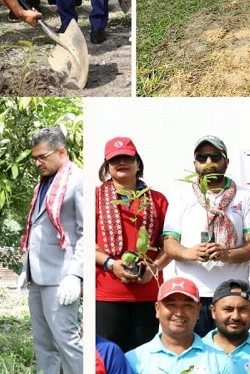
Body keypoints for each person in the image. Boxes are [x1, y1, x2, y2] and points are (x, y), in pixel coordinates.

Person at [162, 135, 250, 336]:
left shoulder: (246, 197)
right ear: (194, 163)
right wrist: (190, 252)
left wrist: (225, 254)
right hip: (192, 293)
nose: (208, 163)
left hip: (231, 296)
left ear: (226, 161)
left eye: (215, 157)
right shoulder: (182, 195)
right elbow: (169, 243)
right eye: (202, 158)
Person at [94, 137, 171, 352]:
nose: (121, 162)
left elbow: (170, 243)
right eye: (115, 159)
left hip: (146, 292)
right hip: (106, 293)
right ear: (107, 166)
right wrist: (110, 263)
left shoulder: (157, 200)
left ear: (138, 163)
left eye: (127, 157)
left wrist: (154, 267)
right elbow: (84, 242)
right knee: (107, 356)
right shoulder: (95, 198)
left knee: (142, 357)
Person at [21, 126, 83, 374]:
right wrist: (26, 267)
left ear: (61, 151)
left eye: (42, 157)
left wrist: (75, 275)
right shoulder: (44, 183)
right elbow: (38, 228)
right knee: (43, 344)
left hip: (61, 277)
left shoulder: (77, 181)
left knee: (67, 342)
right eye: (34, 158)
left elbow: (85, 232)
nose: (37, 163)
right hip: (38, 277)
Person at [125, 277, 238, 373]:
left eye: (187, 305)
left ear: (198, 310)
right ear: (157, 309)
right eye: (171, 305)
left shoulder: (220, 360)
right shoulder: (133, 359)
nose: (179, 312)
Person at [202, 279, 250, 366]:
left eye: (243, 309)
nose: (235, 316)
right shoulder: (197, 352)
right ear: (213, 312)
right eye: (228, 309)